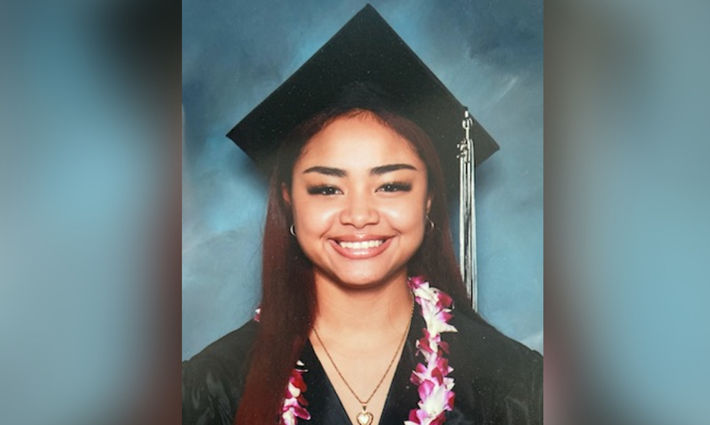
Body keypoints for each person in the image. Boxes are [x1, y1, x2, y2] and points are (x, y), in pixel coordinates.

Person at [183, 6, 541, 425]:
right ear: (288, 201)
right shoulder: (213, 388)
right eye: (327, 188)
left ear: (428, 201)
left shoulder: (512, 387)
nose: (359, 215)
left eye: (391, 185)